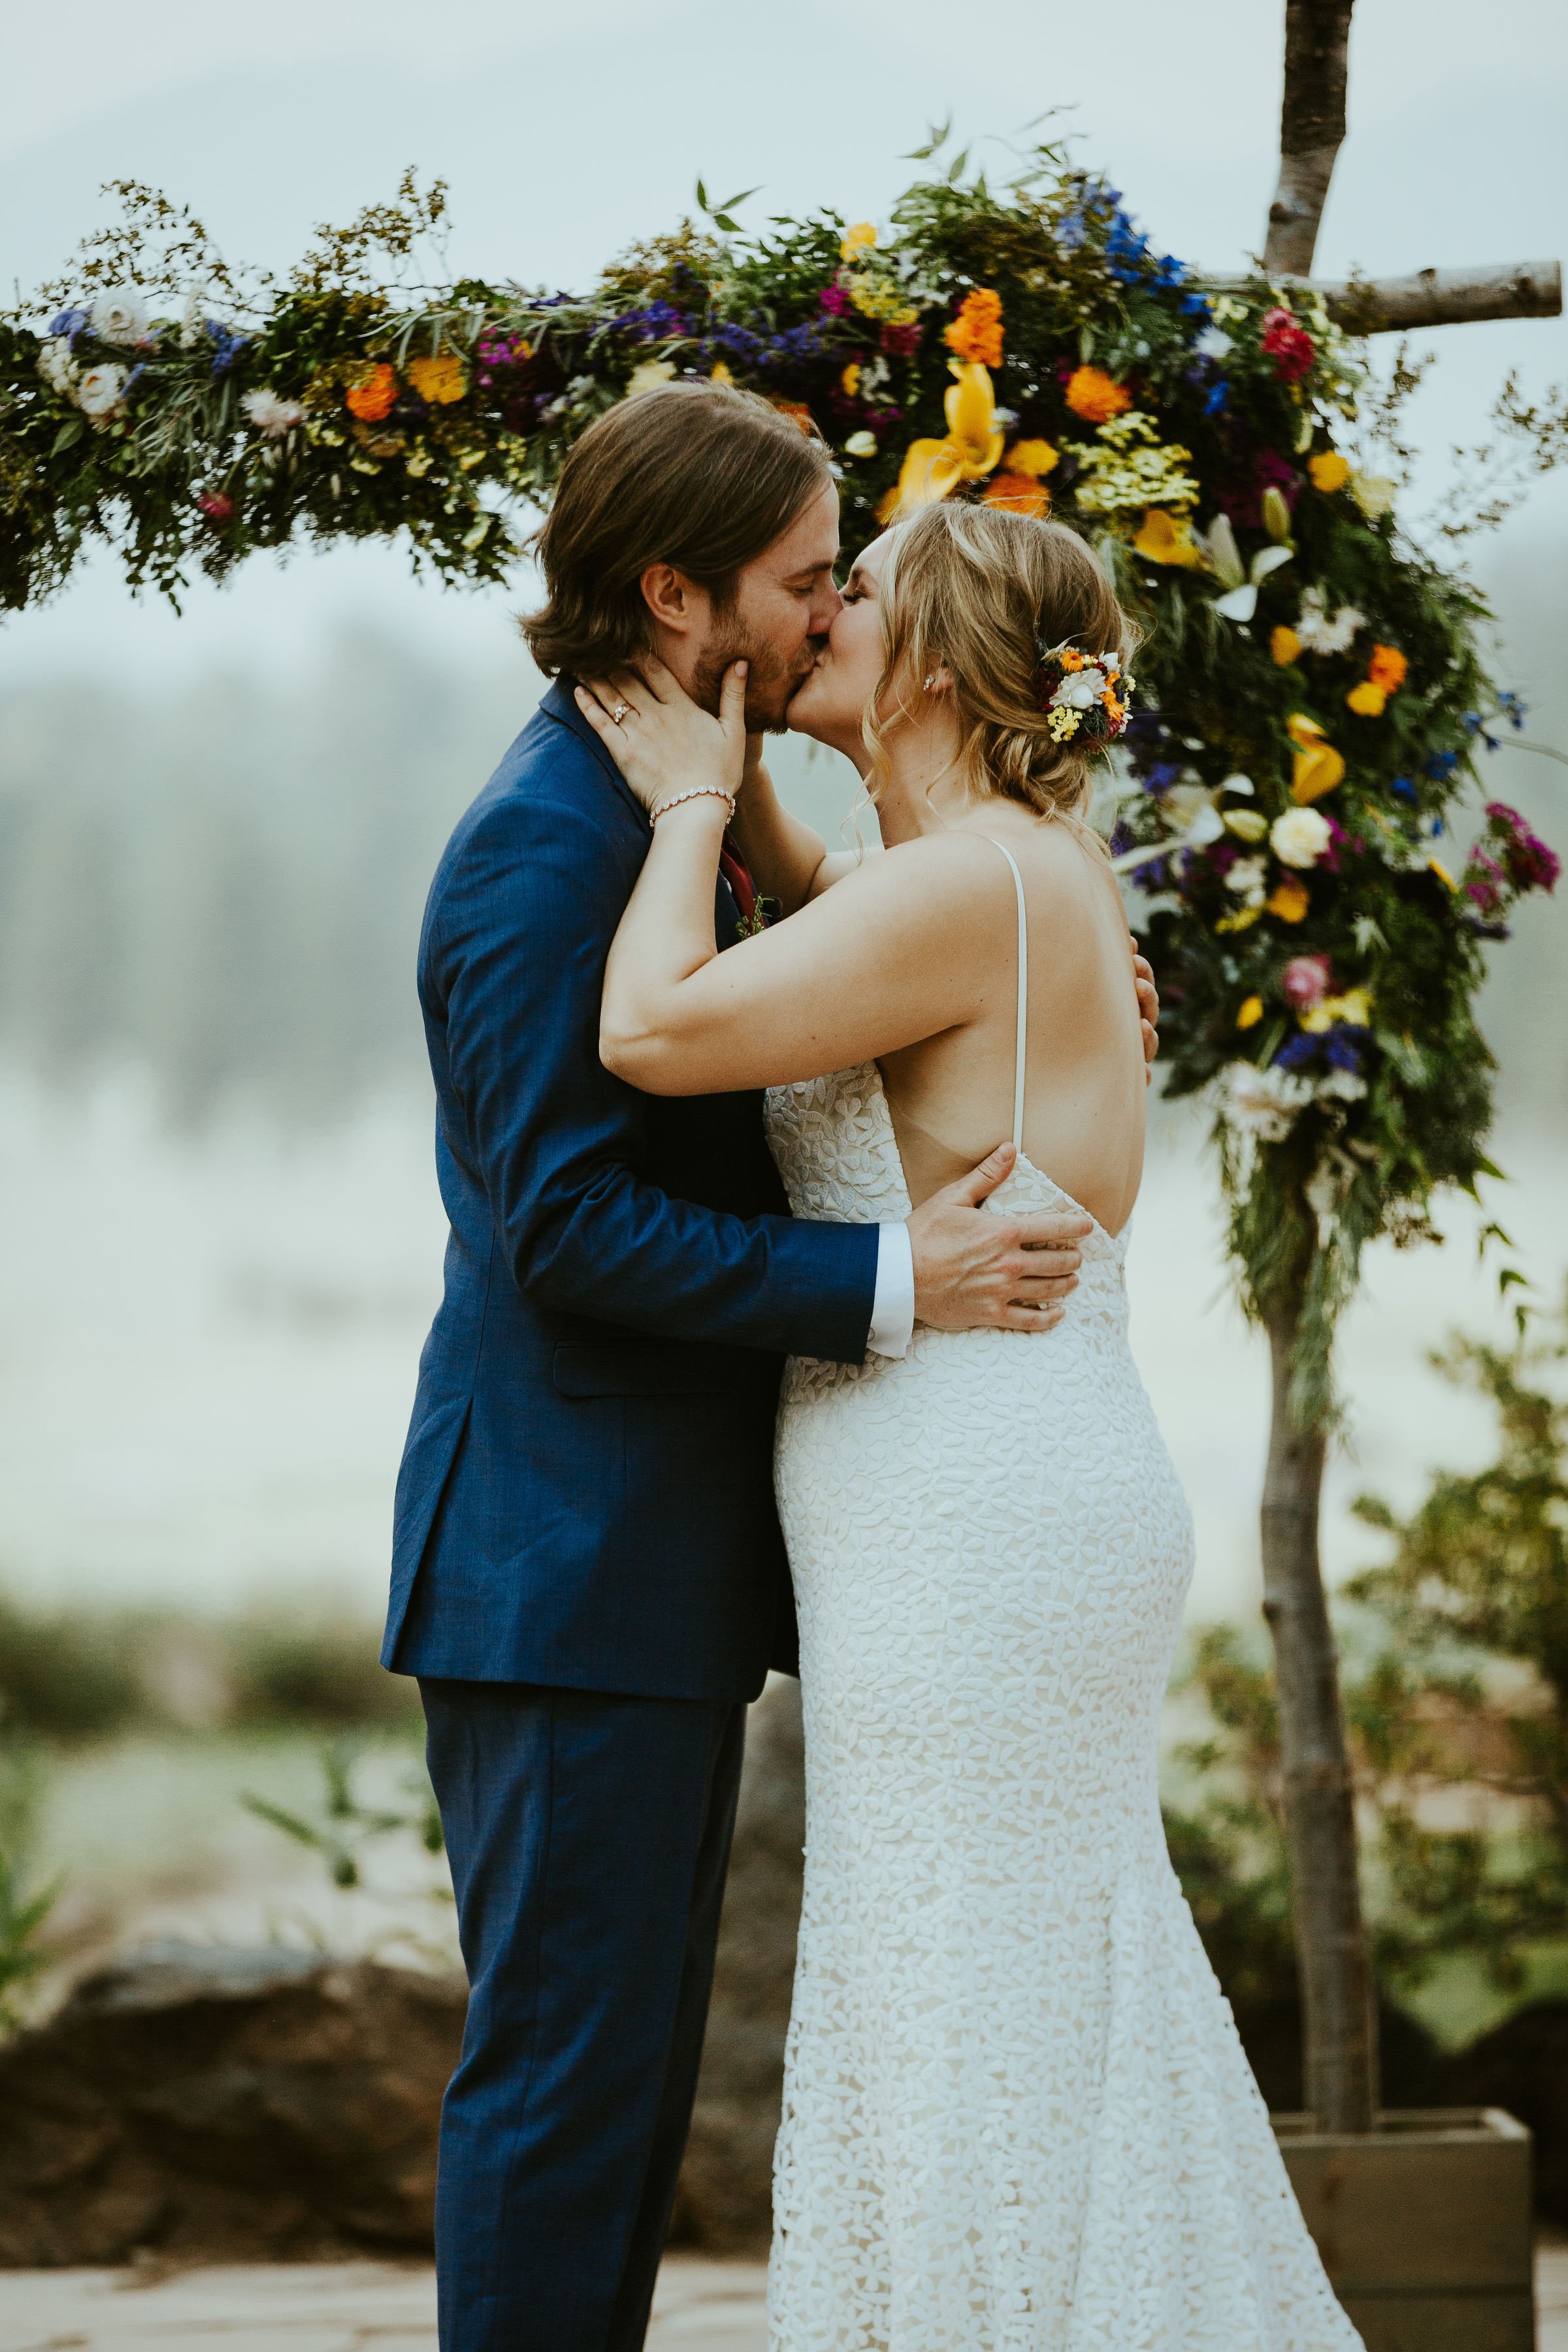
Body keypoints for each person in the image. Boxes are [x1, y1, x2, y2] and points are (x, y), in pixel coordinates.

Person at [382, 382, 1160, 2352]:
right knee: (571, 2096)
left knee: (629, 2100)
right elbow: (565, 1231)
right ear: (677, 590)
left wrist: (1037, 962)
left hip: (697, 1557)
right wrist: (896, 1276)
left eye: (852, 594)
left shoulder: (694, 818)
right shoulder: (555, 850)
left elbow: (878, 982)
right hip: (567, 1564)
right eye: (808, 585)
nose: (828, 621)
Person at [580, 498, 1363, 2349]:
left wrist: (689, 800)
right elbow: (839, 895)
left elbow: (654, 1032)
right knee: (995, 1984)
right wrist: (759, 777)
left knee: (967, 1998)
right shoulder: (997, 868)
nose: (823, 612)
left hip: (974, 1506)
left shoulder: (973, 885)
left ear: (932, 656)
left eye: (856, 593)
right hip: (987, 1483)